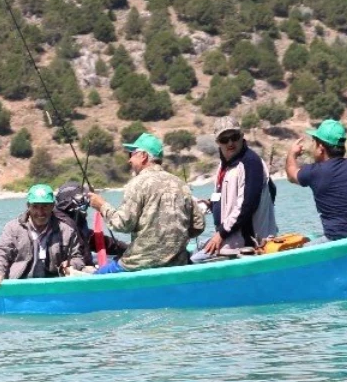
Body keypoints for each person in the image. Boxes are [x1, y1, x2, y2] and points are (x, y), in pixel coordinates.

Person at [86, 133, 205, 273]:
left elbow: (122, 224)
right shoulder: (181, 184)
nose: (129, 160)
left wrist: (102, 206)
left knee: (98, 276)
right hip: (178, 262)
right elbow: (198, 225)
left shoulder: (137, 184)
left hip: (139, 263)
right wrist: (174, 240)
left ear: (143, 156)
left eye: (131, 154)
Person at [192, 116, 278, 263]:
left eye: (234, 137)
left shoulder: (250, 163)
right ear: (218, 142)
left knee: (195, 260)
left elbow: (247, 206)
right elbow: (218, 194)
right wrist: (209, 203)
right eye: (224, 139)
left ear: (242, 136)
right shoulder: (224, 166)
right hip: (230, 240)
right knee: (194, 250)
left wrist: (221, 234)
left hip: (249, 245)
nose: (230, 142)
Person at [0, 184, 87, 287]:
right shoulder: (12, 228)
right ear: (28, 206)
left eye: (45, 206)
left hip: (54, 286)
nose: (40, 212)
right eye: (35, 206)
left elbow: (78, 258)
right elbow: (1, 253)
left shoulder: (67, 230)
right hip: (20, 285)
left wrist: (71, 264)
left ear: (53, 206)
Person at [54, 181, 127, 267]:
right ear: (71, 204)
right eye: (84, 202)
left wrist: (128, 249)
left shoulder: (78, 221)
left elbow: (97, 240)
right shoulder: (62, 225)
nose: (87, 206)